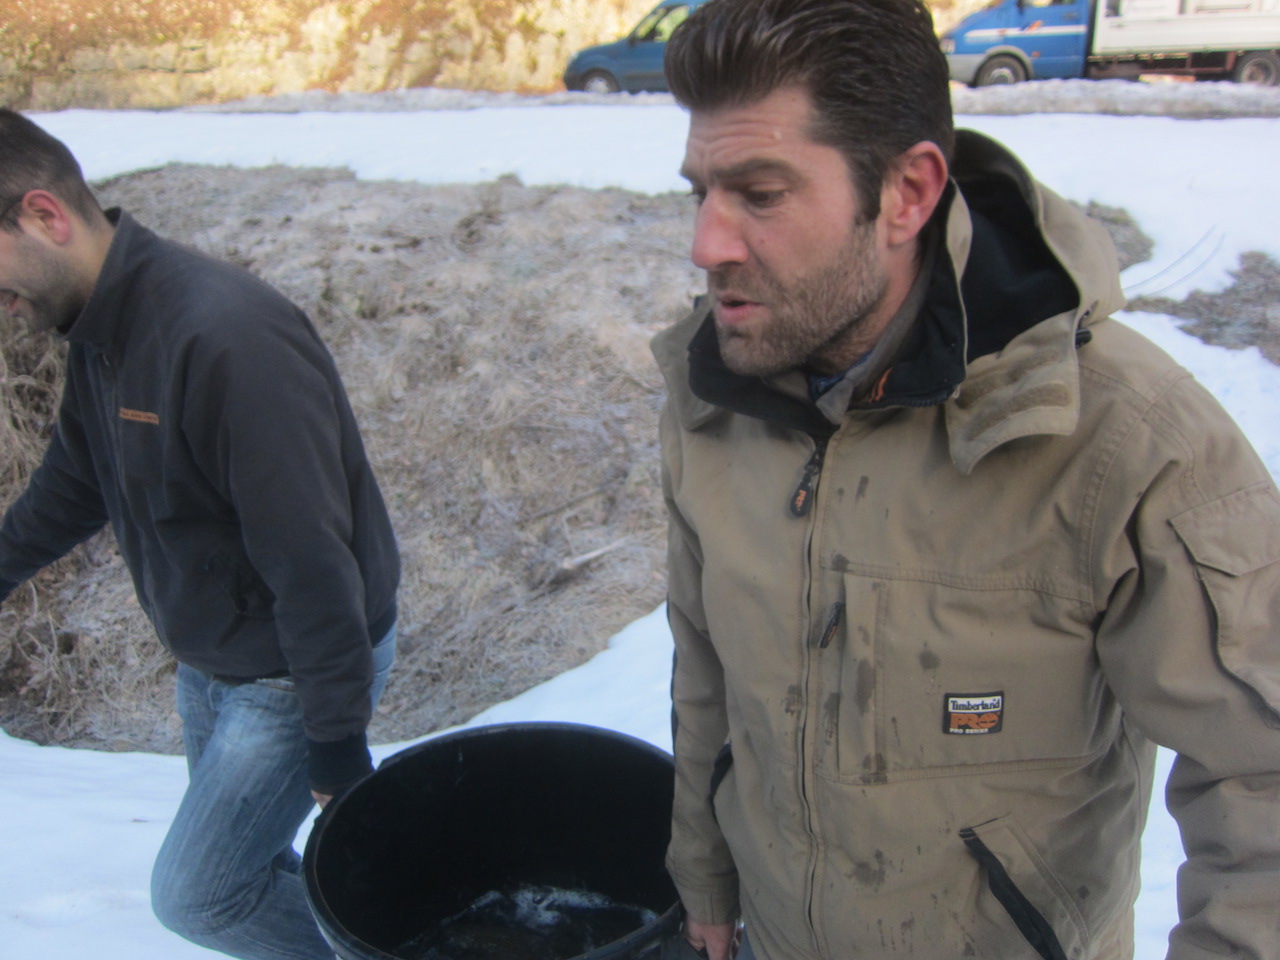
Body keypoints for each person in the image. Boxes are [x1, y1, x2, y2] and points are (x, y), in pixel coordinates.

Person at [650, 1, 1280, 958]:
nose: (708, 243)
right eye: (700, 192)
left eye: (761, 195)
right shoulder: (713, 401)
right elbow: (705, 669)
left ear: (907, 194)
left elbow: (1263, 777)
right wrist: (702, 877)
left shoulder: (1125, 440)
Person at [0, 109, 400, 960]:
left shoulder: (223, 337)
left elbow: (311, 558)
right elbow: (76, 481)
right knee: (250, 871)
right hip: (213, 664)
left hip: (292, 670)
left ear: (43, 214)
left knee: (203, 896)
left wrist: (335, 742)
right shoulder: (102, 333)